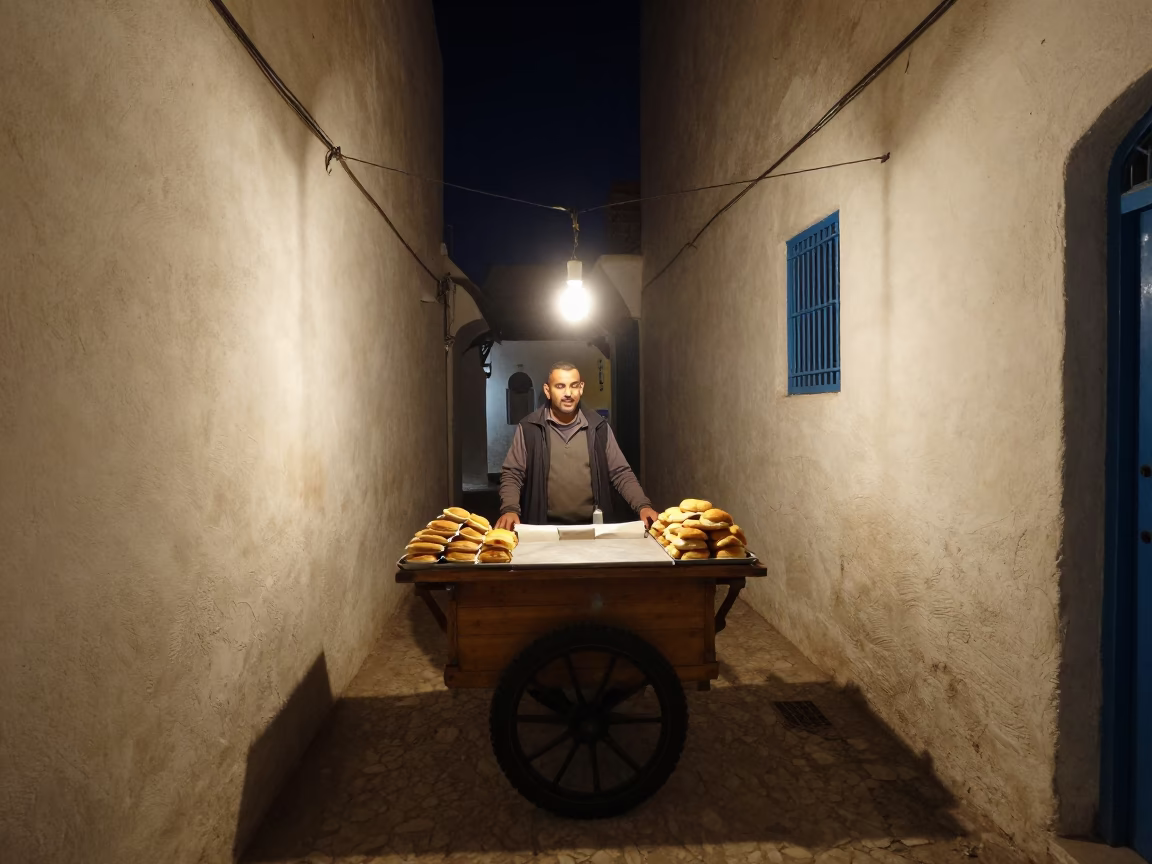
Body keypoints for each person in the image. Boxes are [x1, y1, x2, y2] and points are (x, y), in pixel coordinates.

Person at [495, 362, 660, 531]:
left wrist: (642, 505)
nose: (568, 393)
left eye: (573, 386)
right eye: (560, 386)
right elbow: (513, 473)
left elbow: (620, 473)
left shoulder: (599, 427)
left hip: (593, 530)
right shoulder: (529, 428)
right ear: (547, 390)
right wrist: (509, 509)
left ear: (581, 388)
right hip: (544, 530)